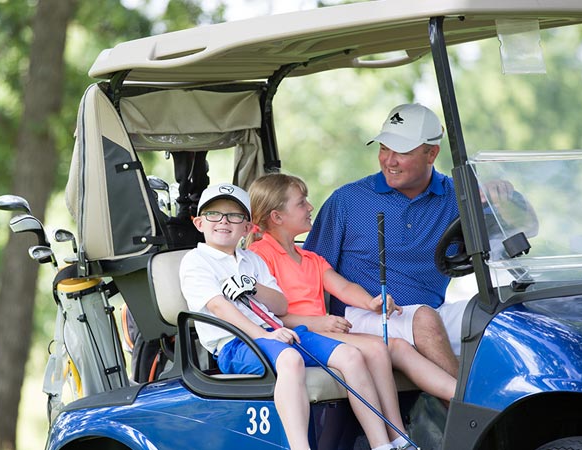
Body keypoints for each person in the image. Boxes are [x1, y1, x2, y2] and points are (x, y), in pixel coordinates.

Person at [180, 183, 411, 450]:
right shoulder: (196, 261)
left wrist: (253, 286)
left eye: (235, 216)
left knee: (351, 355)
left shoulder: (251, 261)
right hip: (237, 345)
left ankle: (382, 444)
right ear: (199, 223)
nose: (223, 221)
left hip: (278, 334)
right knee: (289, 358)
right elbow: (220, 307)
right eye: (214, 215)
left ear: (247, 227)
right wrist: (264, 335)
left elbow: (279, 305)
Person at [247, 173, 456, 403]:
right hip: (300, 337)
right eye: (301, 203)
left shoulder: (310, 258)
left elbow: (344, 287)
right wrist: (318, 323)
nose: (310, 206)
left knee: (399, 348)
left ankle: (465, 400)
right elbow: (263, 316)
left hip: (321, 331)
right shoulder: (258, 258)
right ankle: (390, 435)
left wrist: (371, 302)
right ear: (277, 217)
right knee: (377, 349)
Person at [304, 103, 467, 378]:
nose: (389, 160)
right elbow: (308, 271)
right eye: (383, 148)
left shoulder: (458, 197)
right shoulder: (347, 201)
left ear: (432, 153)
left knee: (500, 315)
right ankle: (471, 417)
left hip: (431, 313)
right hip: (360, 318)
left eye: (401, 152)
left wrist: (502, 196)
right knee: (425, 321)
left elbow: (523, 226)